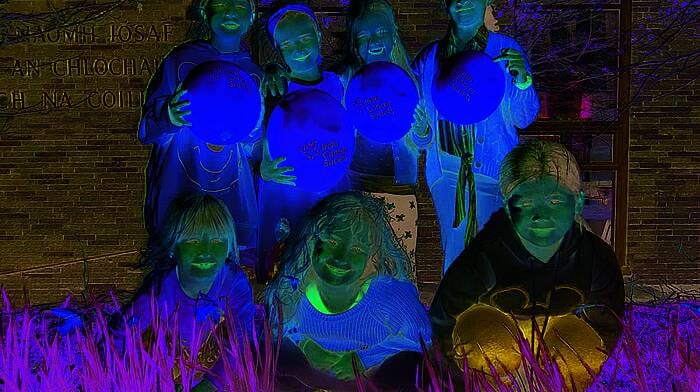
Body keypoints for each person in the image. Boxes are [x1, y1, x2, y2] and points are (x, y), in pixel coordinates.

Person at [429, 140, 624, 389]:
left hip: (556, 333)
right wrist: (451, 373)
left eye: (554, 201)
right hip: (496, 333)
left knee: (580, 351)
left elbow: (608, 318)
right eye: (525, 203)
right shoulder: (487, 251)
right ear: (508, 208)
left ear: (577, 202)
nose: (540, 215)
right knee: (482, 343)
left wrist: (587, 355)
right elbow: (444, 312)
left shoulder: (596, 255)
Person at [412, 0, 540, 272]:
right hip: (447, 173)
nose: (463, 2)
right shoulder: (429, 59)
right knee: (456, 256)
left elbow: (524, 117)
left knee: (499, 253)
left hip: (494, 170)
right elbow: (421, 137)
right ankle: (456, 313)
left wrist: (523, 81)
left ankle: (498, 313)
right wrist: (421, 130)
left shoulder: (505, 49)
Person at [263, 192, 432, 390]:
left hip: (370, 382)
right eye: (332, 242)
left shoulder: (392, 297)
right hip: (316, 377)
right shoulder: (293, 288)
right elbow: (278, 326)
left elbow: (425, 339)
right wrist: (306, 345)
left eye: (357, 249)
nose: (340, 257)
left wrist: (364, 359)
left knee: (412, 364)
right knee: (271, 350)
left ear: (372, 259)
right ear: (310, 244)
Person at [138, 0, 263, 265]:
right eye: (221, 3)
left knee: (223, 281)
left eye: (240, 6)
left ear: (252, 16)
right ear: (206, 11)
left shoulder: (254, 74)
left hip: (231, 201)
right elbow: (147, 129)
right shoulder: (180, 61)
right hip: (179, 196)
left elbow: (255, 150)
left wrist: (254, 129)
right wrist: (169, 115)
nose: (230, 12)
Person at [110, 194, 256, 390]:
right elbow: (119, 338)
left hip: (211, 371)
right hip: (161, 371)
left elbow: (242, 342)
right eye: (193, 241)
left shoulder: (235, 284)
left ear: (229, 246)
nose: (206, 251)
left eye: (216, 240)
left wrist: (210, 386)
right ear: (173, 246)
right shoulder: (159, 293)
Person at [256, 3, 350, 281]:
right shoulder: (274, 88)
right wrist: (262, 167)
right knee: (288, 265)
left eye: (305, 39)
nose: (298, 49)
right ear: (280, 50)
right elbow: (255, 138)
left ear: (319, 37)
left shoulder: (338, 84)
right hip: (286, 193)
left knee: (328, 264)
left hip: (330, 183)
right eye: (287, 45)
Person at [342, 0, 427, 262]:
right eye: (363, 36)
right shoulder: (345, 81)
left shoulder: (411, 81)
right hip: (361, 186)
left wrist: (422, 131)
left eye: (380, 33)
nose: (373, 41)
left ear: (393, 34)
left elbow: (423, 141)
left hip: (401, 190)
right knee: (363, 263)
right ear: (354, 43)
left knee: (401, 265)